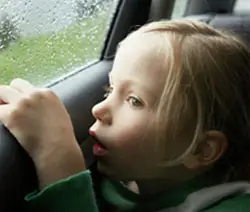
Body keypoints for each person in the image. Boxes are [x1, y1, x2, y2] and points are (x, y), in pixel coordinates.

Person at [1, 19, 250, 212]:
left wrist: (57, 154)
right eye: (109, 89)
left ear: (201, 149)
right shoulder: (136, 185)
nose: (98, 109)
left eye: (134, 101)